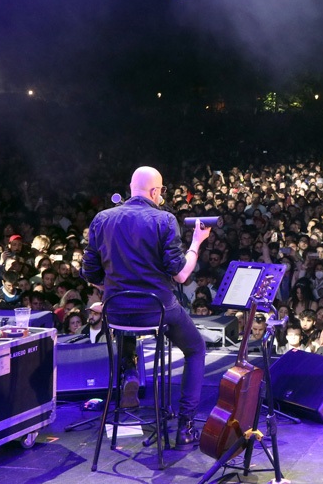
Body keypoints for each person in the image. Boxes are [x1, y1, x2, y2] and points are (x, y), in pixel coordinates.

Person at [82, 166, 211, 451]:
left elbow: (90, 273)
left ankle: (130, 371)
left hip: (115, 311)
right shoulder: (164, 219)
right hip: (157, 310)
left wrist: (114, 287)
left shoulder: (102, 218)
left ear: (131, 188)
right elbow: (181, 275)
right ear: (155, 191)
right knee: (196, 348)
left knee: (127, 325)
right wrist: (197, 242)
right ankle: (186, 427)